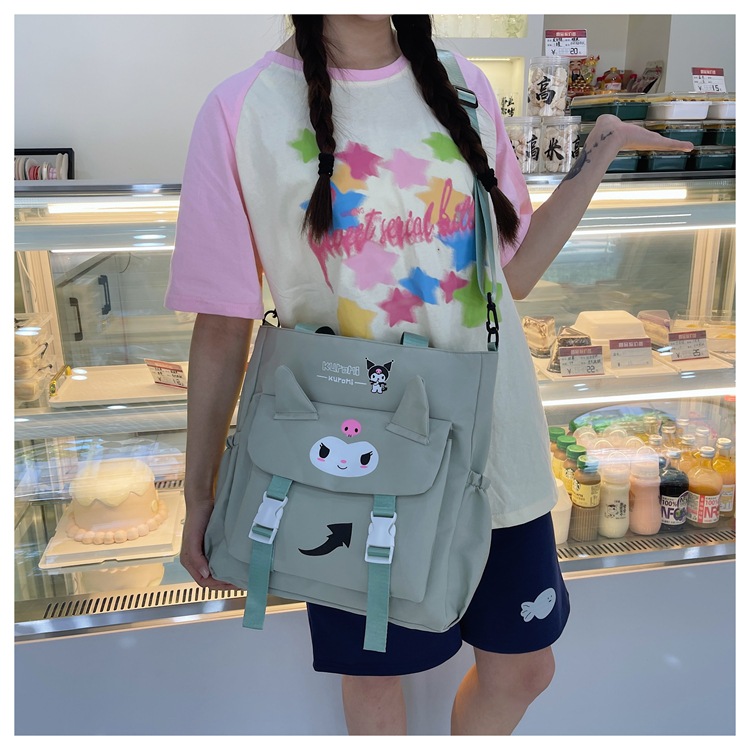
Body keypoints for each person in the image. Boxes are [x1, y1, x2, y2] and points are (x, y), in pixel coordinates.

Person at [165, 14, 693, 735]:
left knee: (523, 667)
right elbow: (223, 322)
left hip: (491, 437)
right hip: (356, 451)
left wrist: (598, 149)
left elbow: (512, 276)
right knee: (376, 673)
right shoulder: (241, 109)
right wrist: (201, 491)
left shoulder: (463, 83)